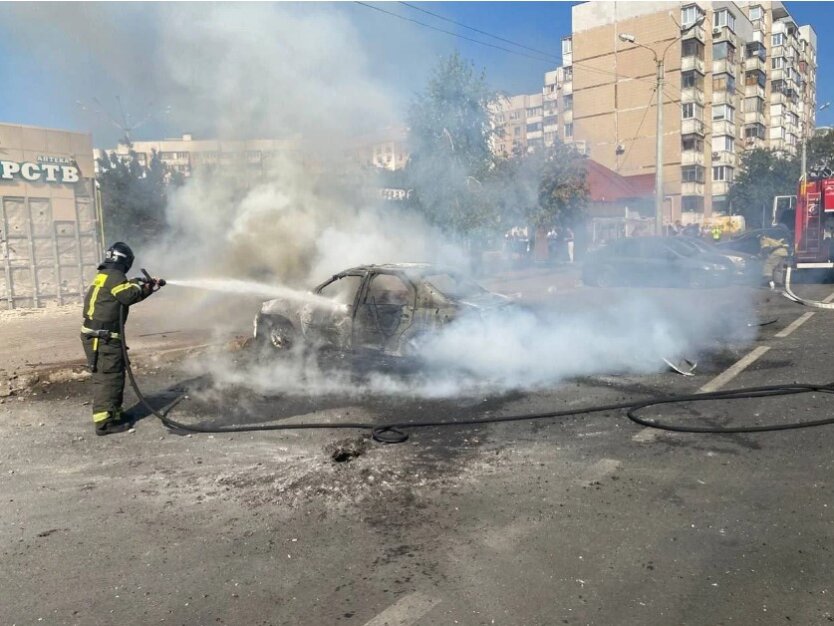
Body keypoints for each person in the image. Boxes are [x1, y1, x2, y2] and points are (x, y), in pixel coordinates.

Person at [80, 242, 164, 435]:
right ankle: (105, 423)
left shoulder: (106, 275)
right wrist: (141, 285)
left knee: (115, 375)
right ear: (125, 261)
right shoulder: (116, 276)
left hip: (102, 336)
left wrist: (147, 287)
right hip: (102, 338)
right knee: (108, 377)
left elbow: (125, 293)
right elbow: (128, 295)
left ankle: (115, 414)